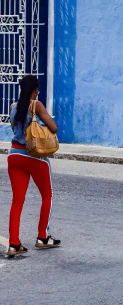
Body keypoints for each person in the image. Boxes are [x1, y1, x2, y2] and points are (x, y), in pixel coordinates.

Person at [6, 74, 61, 258]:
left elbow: (16, 128)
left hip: (14, 155)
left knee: (17, 201)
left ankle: (14, 244)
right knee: (47, 195)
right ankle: (42, 237)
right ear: (35, 90)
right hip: (33, 156)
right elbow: (53, 128)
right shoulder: (35, 105)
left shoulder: (13, 107)